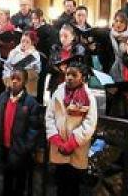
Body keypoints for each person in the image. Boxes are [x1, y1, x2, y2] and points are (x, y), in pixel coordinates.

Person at [46, 61, 98, 196]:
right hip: (59, 146)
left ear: (82, 77)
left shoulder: (89, 97)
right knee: (60, 182)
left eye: (74, 75)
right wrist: (56, 139)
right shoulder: (58, 92)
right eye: (67, 74)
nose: (69, 77)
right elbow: (50, 116)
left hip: (76, 147)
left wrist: (72, 143)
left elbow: (89, 123)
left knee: (73, 183)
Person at [0, 69, 41, 196]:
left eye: (18, 79)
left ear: (24, 81)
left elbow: (33, 129)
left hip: (20, 150)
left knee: (20, 182)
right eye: (12, 78)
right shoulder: (3, 97)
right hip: (4, 147)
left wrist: (24, 148)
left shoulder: (31, 103)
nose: (14, 81)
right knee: (6, 179)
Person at [48, 24, 86, 94]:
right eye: (61, 36)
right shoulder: (55, 48)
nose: (62, 39)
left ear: (72, 37)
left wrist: (69, 69)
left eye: (66, 36)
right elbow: (49, 66)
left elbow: (84, 68)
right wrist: (58, 68)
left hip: (74, 85)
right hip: (57, 84)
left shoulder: (79, 49)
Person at [3, 31, 42, 97]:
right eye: (22, 41)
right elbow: (7, 66)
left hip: (28, 85)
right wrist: (7, 78)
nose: (24, 44)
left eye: (27, 42)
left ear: (32, 43)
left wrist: (27, 56)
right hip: (12, 82)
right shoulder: (14, 52)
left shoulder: (35, 54)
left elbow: (37, 70)